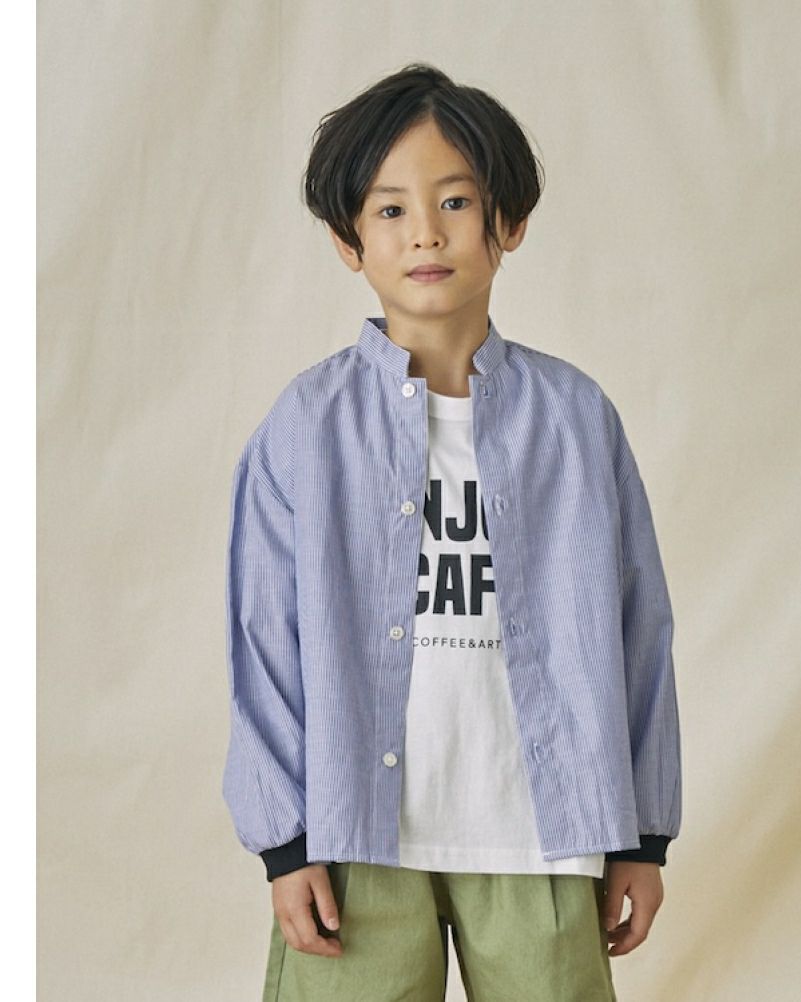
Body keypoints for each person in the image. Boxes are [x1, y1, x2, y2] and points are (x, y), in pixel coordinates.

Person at [222, 62, 682, 1002]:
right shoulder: (307, 426)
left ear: (509, 222)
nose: (425, 232)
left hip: (542, 833)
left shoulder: (575, 420)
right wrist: (285, 843)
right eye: (389, 209)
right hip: (356, 839)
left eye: (456, 201)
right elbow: (264, 637)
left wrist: (644, 834)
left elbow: (639, 627)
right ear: (348, 240)